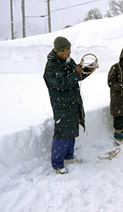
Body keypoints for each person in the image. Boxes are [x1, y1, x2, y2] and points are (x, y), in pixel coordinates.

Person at [43, 36, 95, 174]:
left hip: (73, 101)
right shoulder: (51, 66)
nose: (69, 52)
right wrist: (76, 74)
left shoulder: (68, 61)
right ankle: (57, 163)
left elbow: (77, 75)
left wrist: (88, 70)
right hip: (61, 104)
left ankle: (68, 156)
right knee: (62, 132)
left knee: (72, 129)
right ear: (59, 51)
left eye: (69, 49)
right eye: (66, 50)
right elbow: (61, 84)